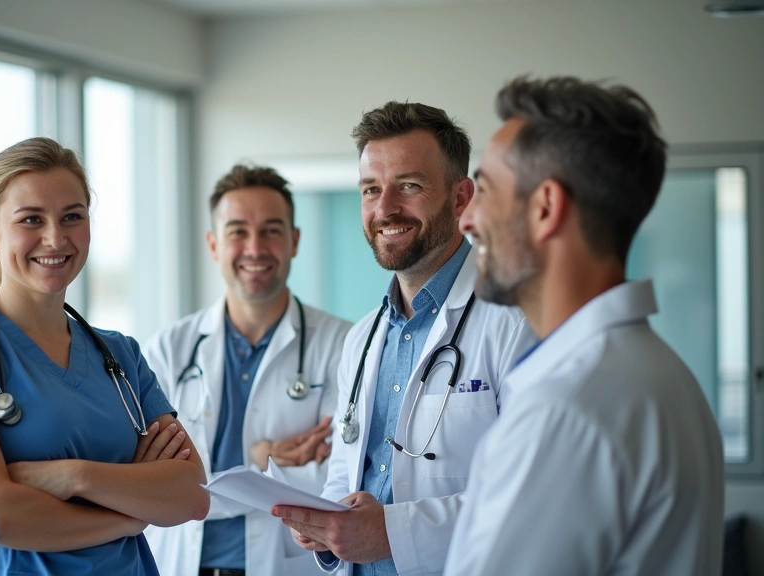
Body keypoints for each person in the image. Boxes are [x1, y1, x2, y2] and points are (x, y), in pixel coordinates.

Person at [445, 76, 724, 574]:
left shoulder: (565, 409)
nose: (467, 219)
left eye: (483, 190)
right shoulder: (663, 375)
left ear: (546, 208)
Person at [0, 136, 210, 575]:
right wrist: (133, 514)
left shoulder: (120, 354)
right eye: (31, 219)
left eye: (72, 217)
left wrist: (73, 477)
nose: (55, 238)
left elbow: (191, 494)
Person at [272, 102, 536, 575]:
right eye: (371, 189)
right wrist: (327, 528)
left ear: (460, 199)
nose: (385, 208)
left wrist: (395, 531)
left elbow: (536, 493)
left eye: (409, 186)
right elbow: (346, 471)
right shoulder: (362, 339)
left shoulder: (515, 322)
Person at [143, 164, 352, 576]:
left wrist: (193, 485)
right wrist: (264, 463)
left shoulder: (343, 345)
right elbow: (145, 481)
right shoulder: (170, 349)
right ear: (213, 244)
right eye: (238, 231)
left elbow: (336, 482)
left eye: (272, 230)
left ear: (294, 241)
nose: (255, 247)